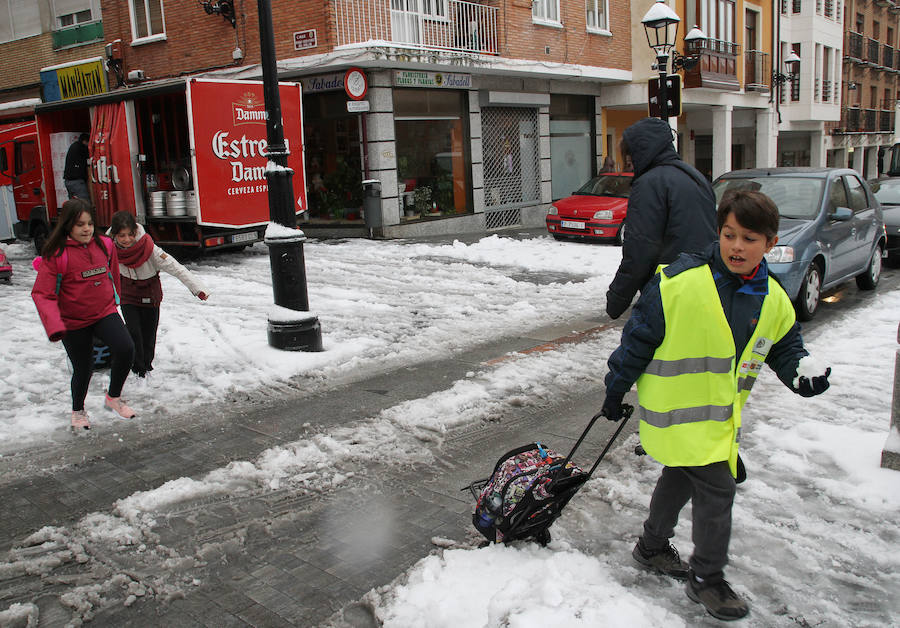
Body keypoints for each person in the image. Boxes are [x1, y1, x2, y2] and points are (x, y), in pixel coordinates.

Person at [600, 189, 831, 621]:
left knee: (681, 478)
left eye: (749, 238)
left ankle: (651, 547)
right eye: (729, 235)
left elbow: (785, 348)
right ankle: (706, 579)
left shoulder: (773, 297)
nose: (737, 247)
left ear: (770, 242)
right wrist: (616, 389)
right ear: (718, 233)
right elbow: (638, 340)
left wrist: (802, 374)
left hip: (717, 420)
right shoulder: (680, 282)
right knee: (718, 488)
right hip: (675, 414)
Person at [32, 198, 136, 430]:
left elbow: (113, 273)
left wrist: (115, 299)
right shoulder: (57, 254)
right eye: (80, 224)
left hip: (103, 312)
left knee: (126, 348)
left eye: (89, 223)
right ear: (68, 225)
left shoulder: (105, 245)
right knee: (83, 369)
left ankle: (114, 397)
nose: (86, 229)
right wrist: (54, 325)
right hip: (73, 321)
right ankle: (78, 410)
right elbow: (42, 294)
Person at [606, 117, 717, 320]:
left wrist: (616, 299)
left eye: (628, 156)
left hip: (668, 291)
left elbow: (640, 248)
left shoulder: (649, 183)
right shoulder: (696, 177)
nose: (628, 162)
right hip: (704, 285)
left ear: (636, 152)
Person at [108, 211, 209, 379]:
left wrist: (198, 289)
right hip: (127, 295)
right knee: (133, 332)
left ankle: (146, 366)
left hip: (150, 293)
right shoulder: (109, 250)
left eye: (130, 235)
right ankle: (137, 368)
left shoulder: (150, 249)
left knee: (148, 334)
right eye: (121, 236)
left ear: (136, 232)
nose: (126, 240)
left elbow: (175, 267)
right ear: (115, 235)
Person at [63, 133, 91, 200]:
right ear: (84, 141)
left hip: (68, 181)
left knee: (74, 204)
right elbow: (90, 156)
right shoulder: (81, 147)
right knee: (84, 203)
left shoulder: (74, 146)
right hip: (76, 181)